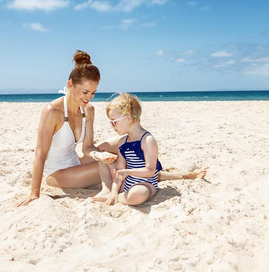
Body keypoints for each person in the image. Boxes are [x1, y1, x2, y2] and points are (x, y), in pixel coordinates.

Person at [17, 50, 118, 206]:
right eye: (85, 92)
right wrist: (34, 193)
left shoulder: (88, 110)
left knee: (122, 142)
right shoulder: (53, 111)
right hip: (57, 174)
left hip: (76, 162)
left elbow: (88, 147)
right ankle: (156, 175)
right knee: (117, 164)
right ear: (70, 84)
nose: (89, 97)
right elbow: (40, 153)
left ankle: (149, 170)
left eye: (93, 93)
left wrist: (99, 156)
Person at [93, 93, 207, 206]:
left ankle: (117, 198)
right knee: (103, 159)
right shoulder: (123, 142)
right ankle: (110, 192)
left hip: (144, 184)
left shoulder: (147, 140)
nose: (112, 126)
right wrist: (114, 190)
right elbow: (119, 172)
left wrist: (128, 172)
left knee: (136, 195)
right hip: (126, 183)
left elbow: (151, 171)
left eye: (114, 122)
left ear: (128, 118)